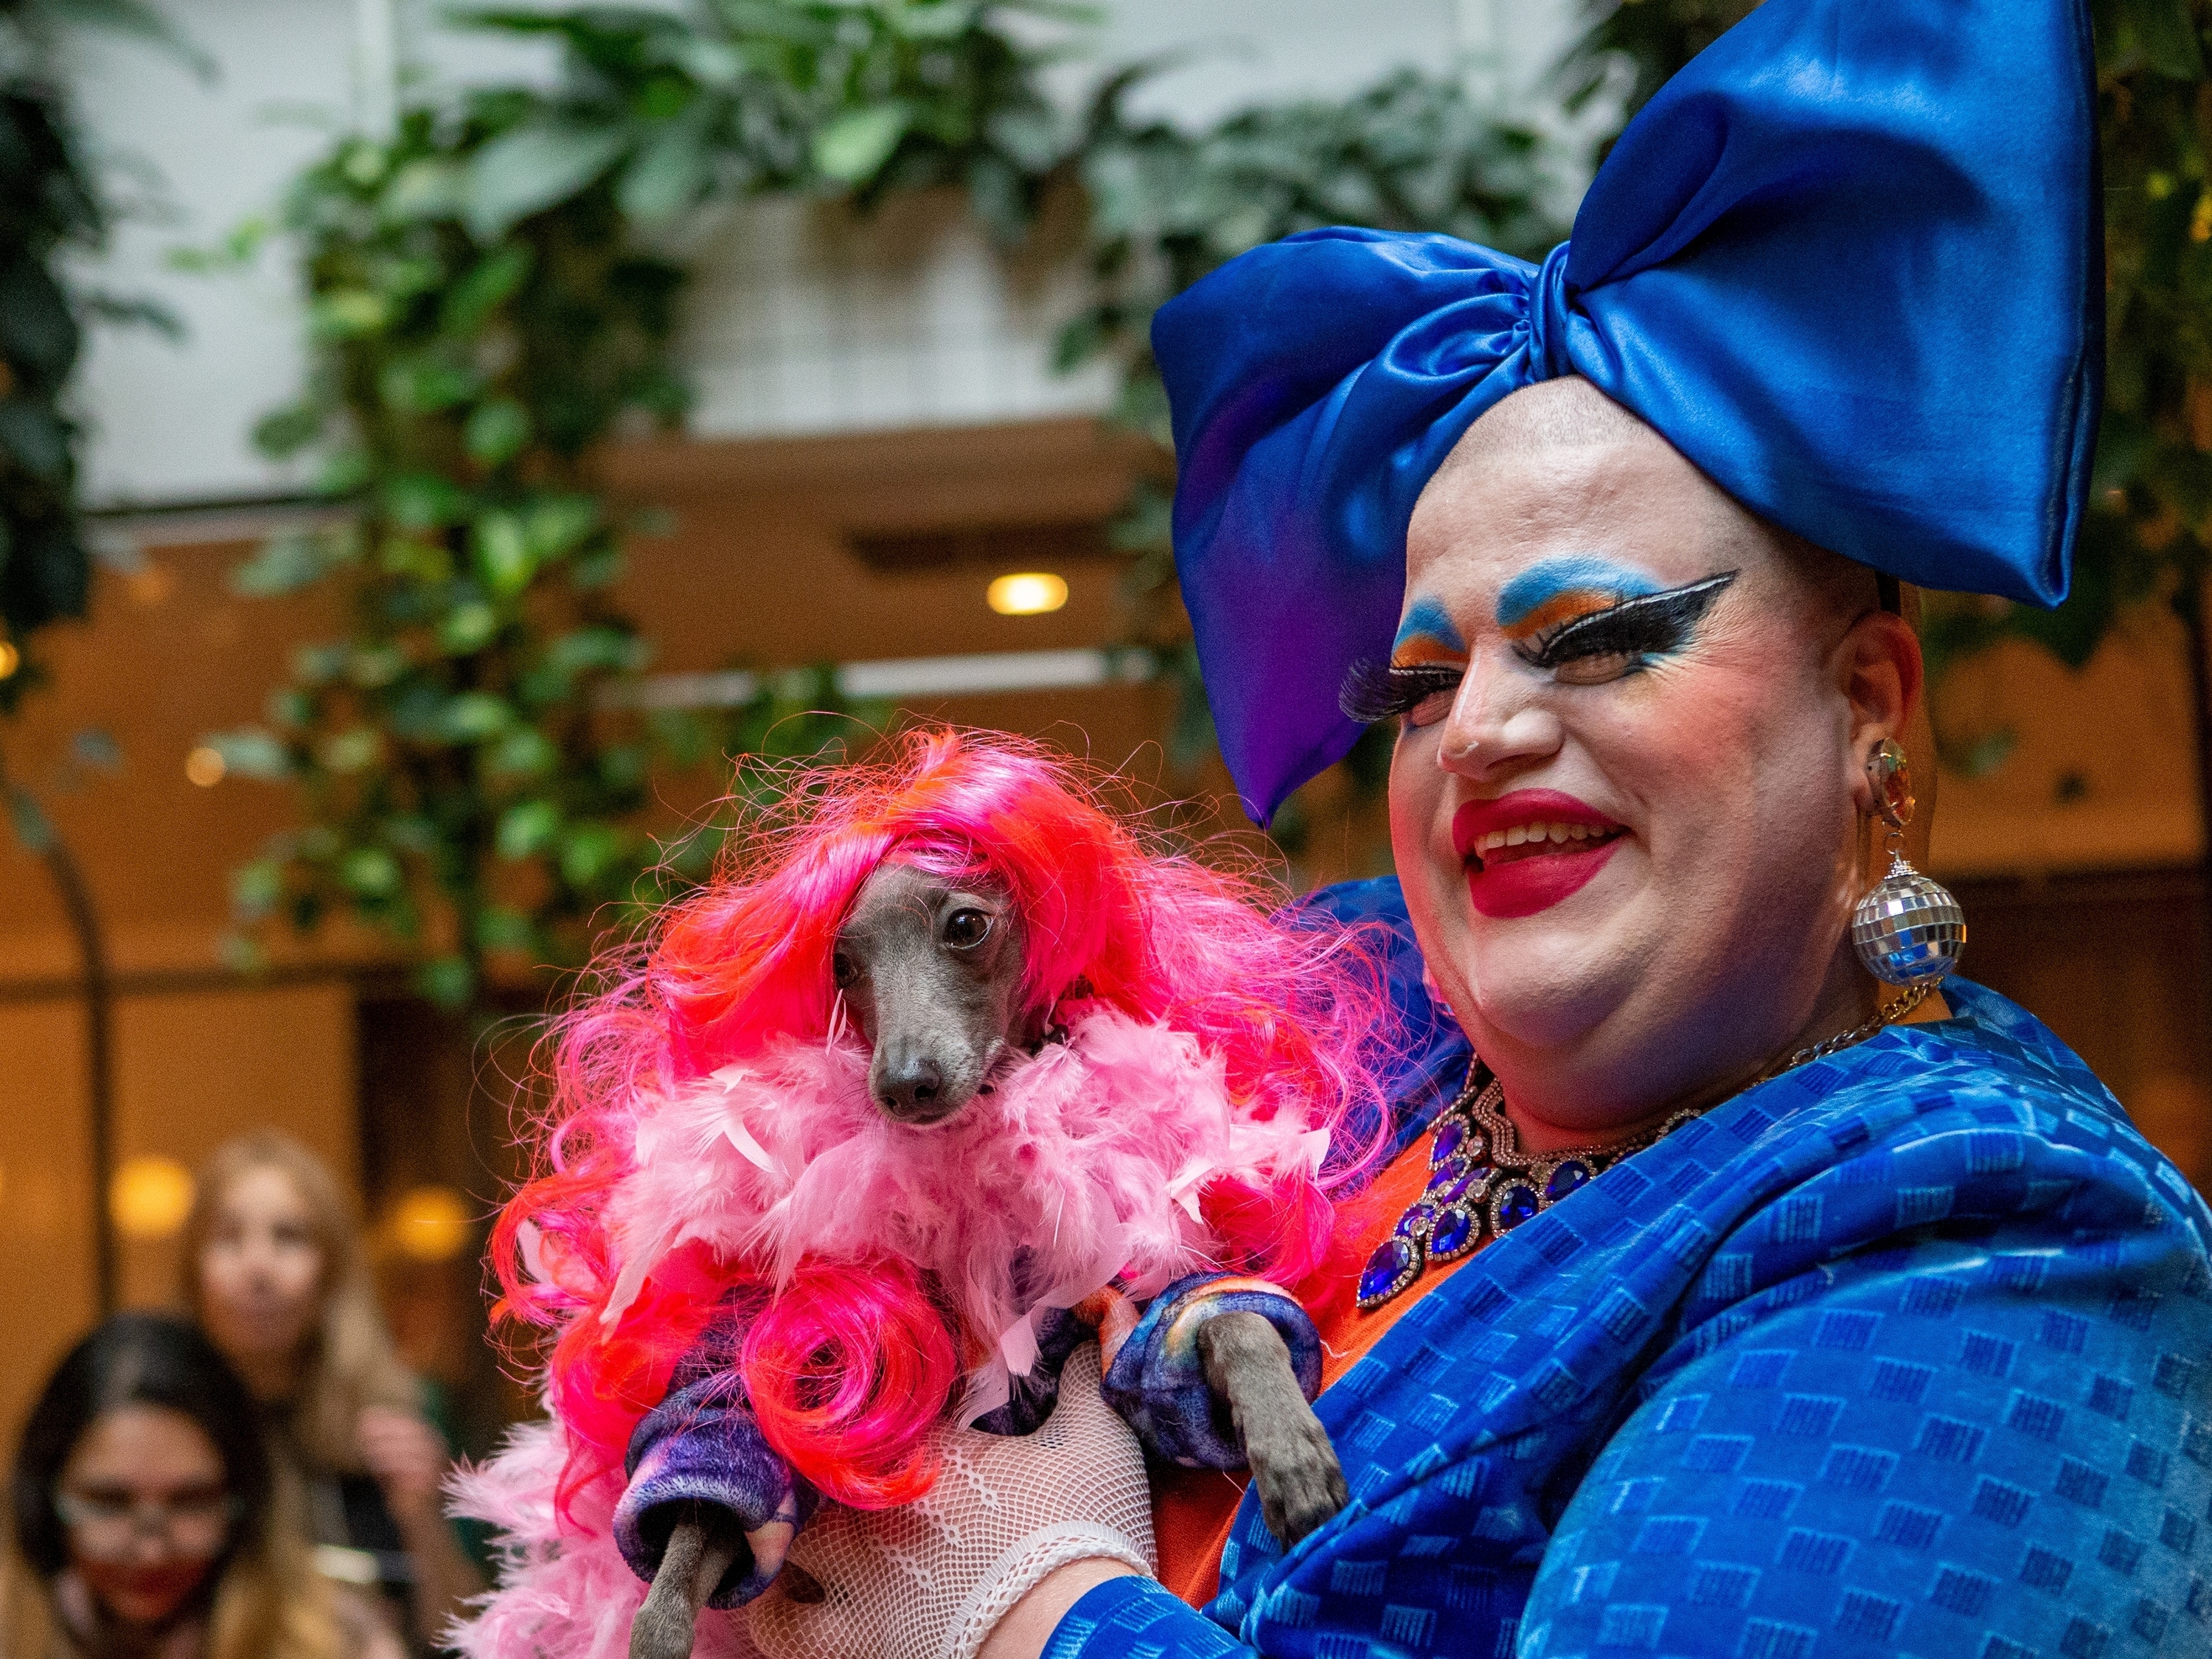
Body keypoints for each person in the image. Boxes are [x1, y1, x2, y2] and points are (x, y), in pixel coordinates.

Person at [735, 1, 2212, 1656]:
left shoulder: (1994, 1225)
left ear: (1867, 705)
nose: (1486, 729)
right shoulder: (1334, 1036)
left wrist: (1027, 1613)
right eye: (1421, 683)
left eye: (1597, 638)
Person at [181, 1134, 481, 1652]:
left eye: (290, 1237)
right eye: (229, 1237)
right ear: (193, 1271)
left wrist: (423, 1519)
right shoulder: (166, 1424)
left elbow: (463, 1634)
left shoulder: (399, 1414)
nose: (259, 1269)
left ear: (332, 1271)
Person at [3, 1312, 405, 1659]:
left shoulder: (339, 1636)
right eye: (110, 1503)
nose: (151, 1552)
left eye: (190, 1502)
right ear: (42, 1497)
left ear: (244, 1500)